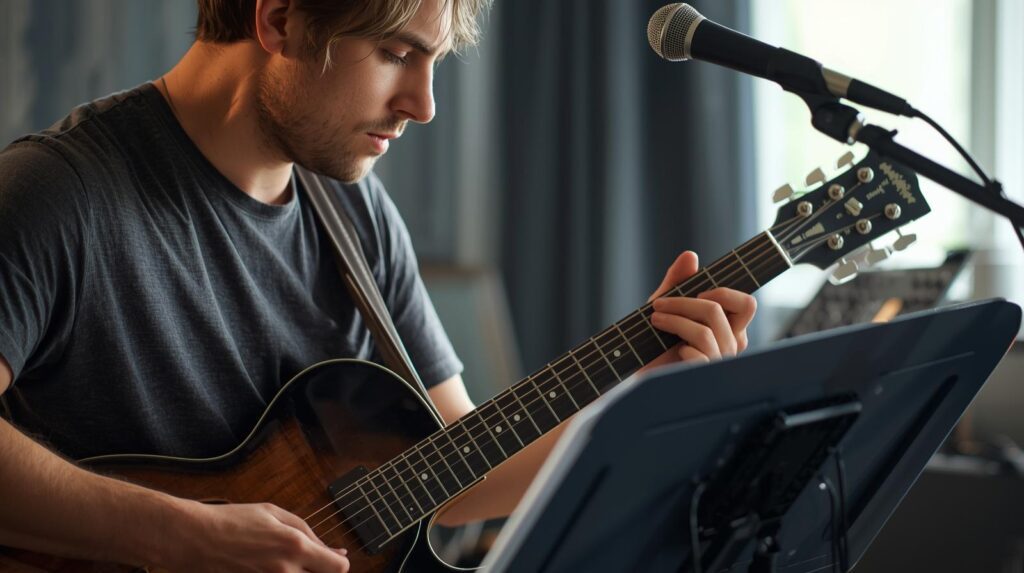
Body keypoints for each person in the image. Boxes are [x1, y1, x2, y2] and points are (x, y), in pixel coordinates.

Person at [0, 0, 757, 571]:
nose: (423, 105)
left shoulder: (353, 208)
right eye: (397, 52)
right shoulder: (56, 194)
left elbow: (457, 469)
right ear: (280, 20)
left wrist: (631, 401)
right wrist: (179, 534)